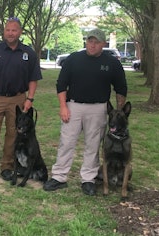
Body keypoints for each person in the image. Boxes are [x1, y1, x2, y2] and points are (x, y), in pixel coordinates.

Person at [43, 28, 127, 196]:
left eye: (96, 42)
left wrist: (119, 112)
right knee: (66, 142)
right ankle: (59, 177)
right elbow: (61, 84)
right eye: (90, 41)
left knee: (93, 144)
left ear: (103, 43)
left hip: (98, 108)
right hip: (73, 106)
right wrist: (63, 106)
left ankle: (88, 179)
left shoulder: (112, 63)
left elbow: (121, 88)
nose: (92, 45)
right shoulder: (74, 59)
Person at [0, 17, 42, 182]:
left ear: (20, 32)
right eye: (8, 30)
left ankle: (7, 166)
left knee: (13, 134)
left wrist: (29, 99)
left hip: (18, 99)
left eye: (14, 30)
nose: (11, 33)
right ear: (4, 32)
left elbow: (33, 79)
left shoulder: (28, 53)